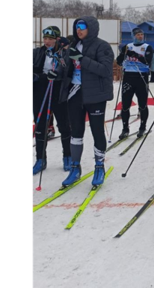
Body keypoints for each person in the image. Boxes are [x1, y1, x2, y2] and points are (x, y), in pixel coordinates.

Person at [61, 17, 115, 187]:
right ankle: (75, 168)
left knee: (97, 131)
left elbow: (106, 70)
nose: (79, 29)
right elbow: (68, 69)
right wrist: (58, 73)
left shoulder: (102, 46)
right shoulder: (73, 46)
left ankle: (99, 166)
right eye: (77, 26)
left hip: (95, 95)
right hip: (75, 93)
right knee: (75, 131)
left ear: (91, 28)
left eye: (82, 26)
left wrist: (82, 59)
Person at [31, 26, 72, 174]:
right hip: (40, 91)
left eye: (50, 39)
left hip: (58, 91)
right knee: (40, 125)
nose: (47, 41)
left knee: (63, 124)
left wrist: (59, 73)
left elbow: (69, 70)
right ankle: (40, 159)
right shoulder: (37, 52)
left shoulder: (64, 53)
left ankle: (67, 156)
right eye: (45, 38)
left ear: (57, 40)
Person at [116, 28, 154, 139]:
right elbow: (118, 61)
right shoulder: (128, 46)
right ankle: (125, 129)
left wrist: (136, 55)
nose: (140, 36)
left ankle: (142, 127)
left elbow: (148, 61)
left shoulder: (147, 47)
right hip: (128, 76)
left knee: (142, 104)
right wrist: (123, 53)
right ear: (133, 36)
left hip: (141, 76)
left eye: (142, 34)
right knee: (125, 105)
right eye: (138, 34)